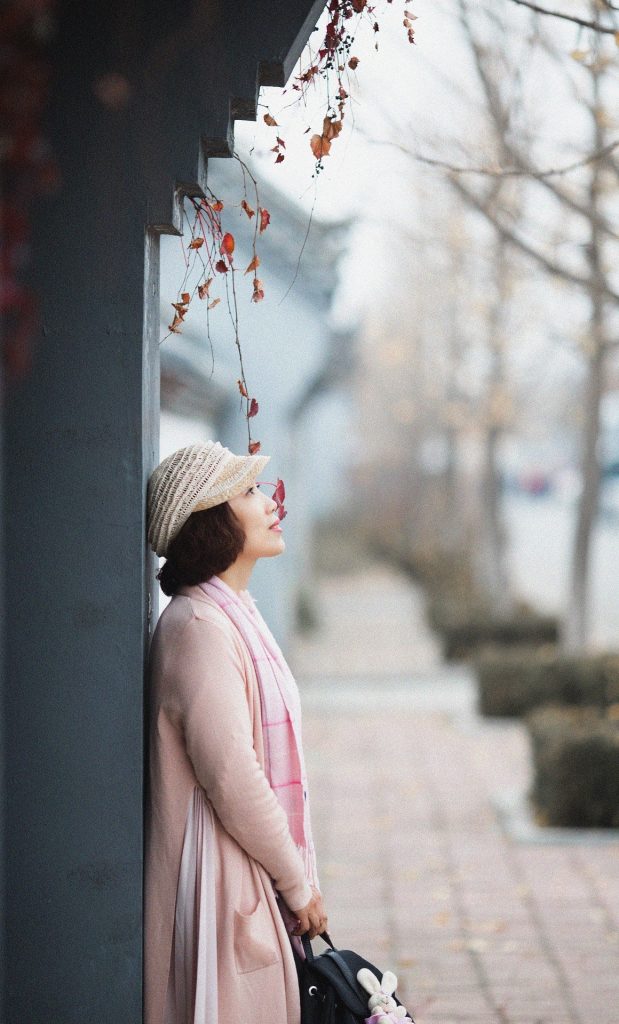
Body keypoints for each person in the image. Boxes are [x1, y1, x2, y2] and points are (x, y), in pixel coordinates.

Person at [144, 440, 327, 1024]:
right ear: (213, 521)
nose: (270, 502)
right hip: (217, 878)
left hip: (238, 870)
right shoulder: (200, 626)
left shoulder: (231, 613)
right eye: (248, 491)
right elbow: (234, 777)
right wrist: (297, 884)